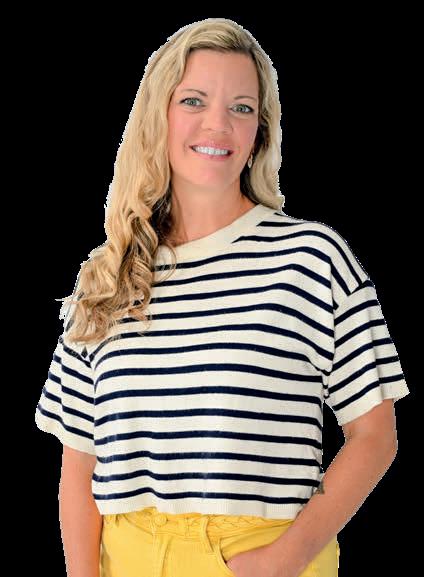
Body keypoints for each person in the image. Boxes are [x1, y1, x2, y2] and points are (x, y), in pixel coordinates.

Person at [34, 17, 410, 577]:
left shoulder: (312, 258)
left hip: (264, 554)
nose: (219, 124)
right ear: (158, 115)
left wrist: (286, 557)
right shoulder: (107, 277)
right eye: (194, 100)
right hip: (126, 556)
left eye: (242, 107)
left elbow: (374, 436)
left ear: (260, 130)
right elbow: (77, 467)